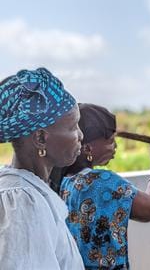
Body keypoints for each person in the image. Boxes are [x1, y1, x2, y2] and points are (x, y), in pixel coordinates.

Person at [57, 103, 150, 270]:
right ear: (87, 147)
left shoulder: (65, 180)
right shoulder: (103, 182)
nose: (115, 146)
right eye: (110, 140)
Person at [0, 68, 85, 269]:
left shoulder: (29, 190)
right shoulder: (23, 202)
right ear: (40, 138)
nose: (80, 136)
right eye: (73, 127)